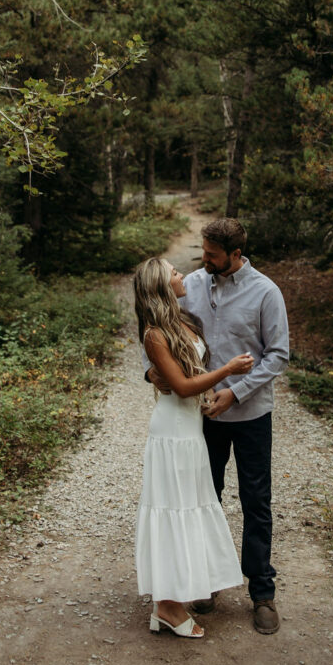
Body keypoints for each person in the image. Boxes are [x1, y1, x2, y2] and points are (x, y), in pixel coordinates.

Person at [149, 218, 289, 635]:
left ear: (235, 254)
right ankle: (206, 584)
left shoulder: (266, 292)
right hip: (201, 420)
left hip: (250, 416)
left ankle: (262, 594)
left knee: (256, 501)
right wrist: (152, 374)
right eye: (204, 251)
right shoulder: (191, 283)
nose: (203, 259)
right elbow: (158, 334)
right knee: (202, 500)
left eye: (211, 254)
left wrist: (237, 392)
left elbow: (278, 355)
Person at [133, 256, 254, 638]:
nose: (181, 274)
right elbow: (183, 387)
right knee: (174, 511)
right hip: (171, 433)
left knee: (188, 508)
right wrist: (228, 371)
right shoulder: (155, 333)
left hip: (191, 431)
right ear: (162, 286)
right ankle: (167, 606)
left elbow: (190, 374)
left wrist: (217, 389)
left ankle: (167, 604)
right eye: (173, 272)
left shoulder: (184, 321)